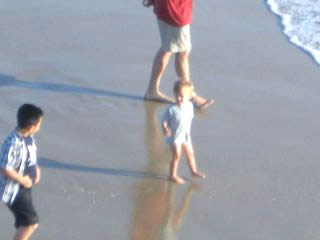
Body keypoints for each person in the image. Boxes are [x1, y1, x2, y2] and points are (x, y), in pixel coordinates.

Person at [143, 0, 214, 109]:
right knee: (182, 52)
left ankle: (152, 90)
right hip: (175, 10)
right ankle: (189, 94)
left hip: (167, 7)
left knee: (169, 48)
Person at [0, 104, 44, 240]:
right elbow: (4, 168)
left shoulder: (29, 138)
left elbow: (30, 156)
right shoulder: (12, 143)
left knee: (25, 222)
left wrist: (36, 168)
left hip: (25, 188)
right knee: (30, 223)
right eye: (39, 125)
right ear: (31, 127)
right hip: (14, 190)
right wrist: (22, 180)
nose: (39, 128)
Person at [162, 81, 205, 184]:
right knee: (176, 155)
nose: (179, 98)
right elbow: (164, 121)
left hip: (186, 136)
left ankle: (193, 171)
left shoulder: (190, 106)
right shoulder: (171, 109)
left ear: (190, 96)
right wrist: (165, 128)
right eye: (177, 95)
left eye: (182, 96)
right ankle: (172, 175)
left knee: (190, 153)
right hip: (175, 138)